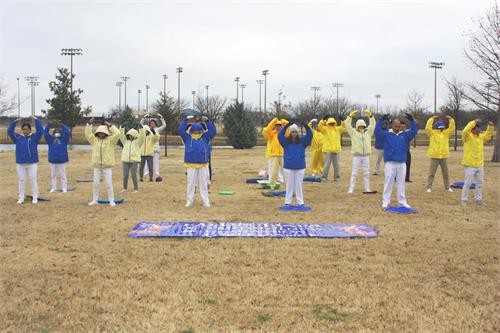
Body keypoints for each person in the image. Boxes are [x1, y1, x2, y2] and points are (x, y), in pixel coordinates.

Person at [375, 113, 418, 209]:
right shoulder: (387, 135)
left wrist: (412, 121)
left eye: (399, 126)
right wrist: (381, 121)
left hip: (402, 163)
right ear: (392, 125)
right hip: (390, 163)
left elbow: (414, 131)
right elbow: (377, 132)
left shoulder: (405, 135)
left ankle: (402, 202)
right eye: (395, 126)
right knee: (388, 183)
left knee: (401, 183)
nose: (397, 127)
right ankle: (386, 201)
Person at [179, 115, 216, 207]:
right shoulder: (187, 138)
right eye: (195, 131)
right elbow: (181, 130)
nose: (196, 132)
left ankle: (205, 201)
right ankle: (189, 201)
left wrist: (207, 121)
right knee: (190, 184)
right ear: (191, 131)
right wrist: (185, 119)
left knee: (203, 184)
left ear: (201, 131)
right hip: (191, 165)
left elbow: (213, 131)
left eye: (198, 130)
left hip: (203, 165)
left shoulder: (205, 138)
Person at [7, 116, 43, 204]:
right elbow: (9, 131)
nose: (25, 131)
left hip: (32, 163)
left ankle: (35, 197)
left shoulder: (34, 137)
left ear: (30, 130)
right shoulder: (18, 137)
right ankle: (21, 197)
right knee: (21, 180)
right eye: (24, 129)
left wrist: (36, 120)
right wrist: (15, 122)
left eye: (27, 129)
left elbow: (40, 131)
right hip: (20, 163)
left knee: (33, 180)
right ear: (22, 130)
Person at [85, 118, 120, 206]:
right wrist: (89, 124)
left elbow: (117, 133)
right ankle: (95, 200)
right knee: (96, 183)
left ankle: (111, 200)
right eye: (99, 132)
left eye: (102, 132)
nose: (100, 134)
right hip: (97, 166)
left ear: (105, 133)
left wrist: (110, 125)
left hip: (107, 166)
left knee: (108, 183)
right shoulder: (94, 140)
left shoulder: (111, 140)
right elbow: (88, 134)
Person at [460, 119, 494, 207]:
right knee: (468, 183)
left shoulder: (481, 137)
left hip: (479, 165)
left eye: (480, 129)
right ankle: (464, 200)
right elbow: (464, 131)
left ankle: (478, 199)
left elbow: (488, 135)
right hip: (470, 165)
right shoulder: (467, 137)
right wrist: (473, 122)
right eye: (477, 128)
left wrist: (490, 127)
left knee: (480, 183)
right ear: (473, 129)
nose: (479, 130)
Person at [278, 121, 312, 206]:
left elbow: (310, 135)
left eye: (295, 132)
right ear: (290, 132)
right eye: (292, 131)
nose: (294, 133)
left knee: (298, 186)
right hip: (288, 167)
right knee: (289, 185)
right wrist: (286, 126)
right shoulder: (285, 142)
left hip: (300, 167)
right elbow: (279, 135)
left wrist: (305, 125)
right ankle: (287, 202)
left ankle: (300, 202)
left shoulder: (302, 141)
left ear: (298, 133)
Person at [345, 109, 375, 193]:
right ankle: (351, 189)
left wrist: (370, 116)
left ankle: (367, 188)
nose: (361, 128)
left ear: (365, 126)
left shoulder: (368, 132)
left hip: (366, 156)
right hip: (357, 156)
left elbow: (373, 124)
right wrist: (350, 116)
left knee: (366, 173)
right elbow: (347, 125)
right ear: (357, 126)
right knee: (354, 173)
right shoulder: (353, 132)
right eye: (360, 126)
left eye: (363, 126)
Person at [425, 115, 455, 192]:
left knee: (446, 173)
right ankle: (429, 187)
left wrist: (451, 120)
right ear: (436, 127)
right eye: (439, 127)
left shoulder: (446, 133)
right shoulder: (432, 133)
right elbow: (427, 128)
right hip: (434, 156)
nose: (441, 128)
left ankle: (447, 187)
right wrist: (431, 119)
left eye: (442, 127)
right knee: (431, 173)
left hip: (443, 156)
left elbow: (452, 128)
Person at [44, 122, 71, 193]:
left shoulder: (64, 139)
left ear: (61, 133)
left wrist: (62, 125)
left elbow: (67, 132)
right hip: (52, 160)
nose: (57, 133)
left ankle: (64, 188)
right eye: (56, 132)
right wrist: (49, 125)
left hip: (61, 160)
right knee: (53, 175)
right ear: (53, 133)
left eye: (58, 132)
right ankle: (53, 188)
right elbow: (45, 133)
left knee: (63, 175)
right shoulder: (50, 139)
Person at [263, 117, 288, 189]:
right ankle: (272, 185)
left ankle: (288, 185)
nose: (278, 127)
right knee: (273, 171)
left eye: (280, 125)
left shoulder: (285, 134)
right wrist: (273, 121)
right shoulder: (271, 134)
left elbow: (290, 127)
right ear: (275, 126)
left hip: (283, 155)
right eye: (277, 125)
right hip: (274, 155)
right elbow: (265, 130)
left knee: (285, 171)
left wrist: (284, 121)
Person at [318, 115, 346, 181]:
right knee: (326, 165)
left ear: (335, 123)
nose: (332, 124)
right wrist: (322, 119)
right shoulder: (325, 129)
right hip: (327, 150)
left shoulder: (338, 129)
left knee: (337, 165)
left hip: (336, 150)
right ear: (328, 123)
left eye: (333, 122)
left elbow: (344, 127)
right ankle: (324, 177)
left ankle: (337, 177)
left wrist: (343, 121)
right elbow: (320, 127)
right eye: (330, 123)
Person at [119, 125, 145, 193]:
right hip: (125, 160)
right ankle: (124, 188)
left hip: (134, 161)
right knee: (125, 175)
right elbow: (121, 135)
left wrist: (141, 128)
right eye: (129, 135)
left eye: (131, 135)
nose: (130, 136)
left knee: (134, 175)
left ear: (135, 135)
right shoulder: (125, 141)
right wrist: (122, 128)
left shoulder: (138, 142)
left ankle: (135, 189)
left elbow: (142, 137)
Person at [140, 114, 166, 181]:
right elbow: (140, 125)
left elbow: (164, 126)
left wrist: (161, 118)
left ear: (155, 124)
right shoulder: (146, 129)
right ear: (149, 124)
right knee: (147, 163)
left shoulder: (157, 129)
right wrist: (144, 118)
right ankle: (146, 174)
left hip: (156, 149)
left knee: (155, 162)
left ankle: (156, 174)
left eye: (153, 123)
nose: (152, 124)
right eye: (151, 123)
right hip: (148, 150)